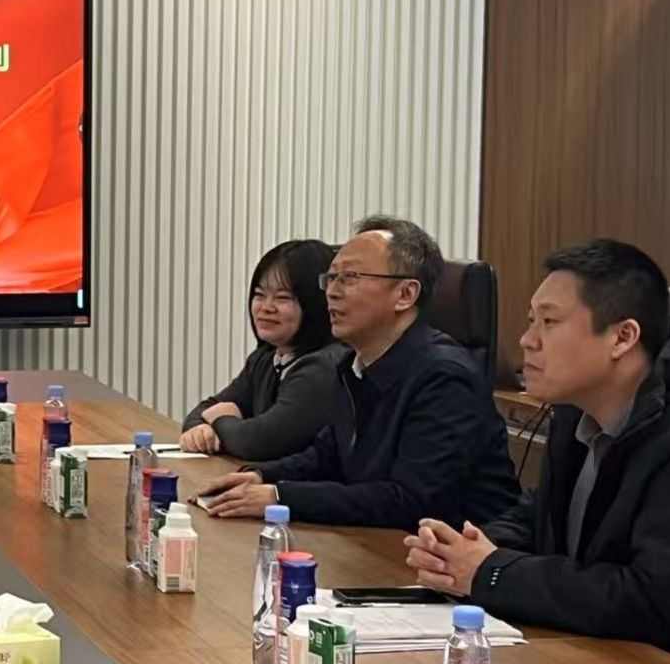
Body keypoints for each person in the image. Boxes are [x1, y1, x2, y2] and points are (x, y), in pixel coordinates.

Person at [406, 240, 670, 648]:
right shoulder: (572, 414)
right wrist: (463, 549)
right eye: (531, 321)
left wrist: (492, 571)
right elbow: (539, 516)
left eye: (549, 322)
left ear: (622, 337)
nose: (527, 340)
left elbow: (650, 599)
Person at [202, 215, 520, 530]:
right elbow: (326, 456)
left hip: (458, 550)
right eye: (331, 278)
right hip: (381, 541)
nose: (331, 292)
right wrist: (260, 475)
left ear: (405, 294)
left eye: (349, 277)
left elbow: (409, 500)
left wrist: (281, 496)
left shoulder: (445, 378)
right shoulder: (353, 366)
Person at [179, 239, 345, 460]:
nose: (266, 307)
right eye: (259, 294)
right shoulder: (266, 357)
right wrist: (202, 428)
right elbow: (205, 409)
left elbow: (258, 442)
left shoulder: (323, 366)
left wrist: (218, 419)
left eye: (282, 298)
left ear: (316, 303)